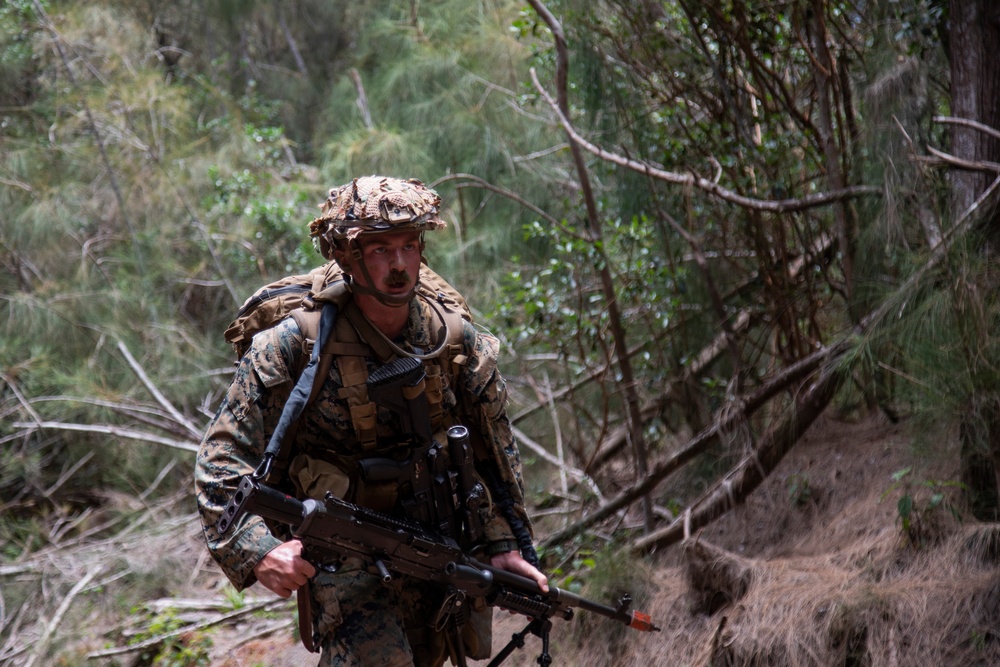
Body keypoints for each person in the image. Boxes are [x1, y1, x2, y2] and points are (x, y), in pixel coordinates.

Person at [195, 175, 548, 666]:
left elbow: (495, 454)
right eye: (380, 249)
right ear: (345, 255)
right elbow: (220, 462)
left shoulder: (454, 342)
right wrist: (256, 550)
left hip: (438, 541)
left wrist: (506, 544)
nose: (399, 265)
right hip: (344, 553)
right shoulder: (293, 345)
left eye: (409, 246)